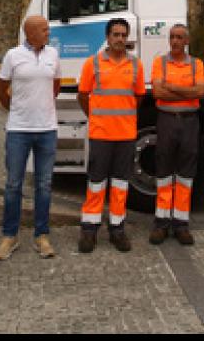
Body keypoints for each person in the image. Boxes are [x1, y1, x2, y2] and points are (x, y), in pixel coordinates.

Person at [77, 18, 146, 253]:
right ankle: (89, 229)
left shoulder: (136, 65)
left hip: (126, 135)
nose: (120, 39)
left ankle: (117, 229)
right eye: (115, 34)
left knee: (120, 185)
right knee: (96, 183)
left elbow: (138, 97)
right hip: (101, 134)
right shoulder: (92, 64)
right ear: (107, 37)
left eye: (123, 35)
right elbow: (83, 96)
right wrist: (97, 118)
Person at [0, 15, 61, 260]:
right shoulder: (12, 56)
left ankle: (41, 235)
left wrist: (42, 107)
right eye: (44, 29)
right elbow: (1, 91)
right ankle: (9, 236)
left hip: (46, 129)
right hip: (18, 130)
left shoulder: (53, 54)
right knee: (13, 184)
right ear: (30, 33)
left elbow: (55, 86)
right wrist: (18, 109)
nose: (48, 33)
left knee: (44, 185)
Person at [149, 23, 204, 246]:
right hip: (166, 121)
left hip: (190, 122)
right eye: (172, 37)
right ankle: (161, 223)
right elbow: (157, 92)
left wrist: (170, 87)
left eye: (179, 37)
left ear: (187, 41)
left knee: (185, 173)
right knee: (163, 171)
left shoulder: (197, 64)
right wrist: (186, 91)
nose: (174, 41)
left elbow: (200, 92)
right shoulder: (159, 62)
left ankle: (181, 224)